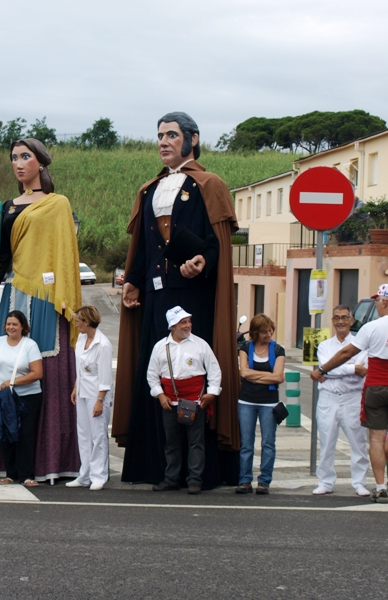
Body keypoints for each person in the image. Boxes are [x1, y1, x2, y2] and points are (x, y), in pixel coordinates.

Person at [113, 112, 240, 489]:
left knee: (192, 376)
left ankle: (200, 472)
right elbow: (144, 247)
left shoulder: (210, 184)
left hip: (194, 296)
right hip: (156, 297)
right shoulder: (149, 189)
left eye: (172, 135)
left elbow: (218, 246)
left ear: (192, 139)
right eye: (160, 136)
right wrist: (133, 281)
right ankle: (159, 469)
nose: (164, 142)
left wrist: (204, 260)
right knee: (158, 374)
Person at [0, 138, 81, 482]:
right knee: (4, 359)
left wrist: (65, 295)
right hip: (14, 290)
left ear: (41, 162)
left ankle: (51, 459)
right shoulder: (4, 207)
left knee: (46, 368)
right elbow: (1, 257)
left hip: (48, 295)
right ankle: (7, 461)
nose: (18, 163)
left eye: (25, 157)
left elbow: (65, 254)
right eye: (14, 158)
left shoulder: (57, 203)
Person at [313, 284, 388, 504]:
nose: (376, 304)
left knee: (376, 438)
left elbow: (348, 352)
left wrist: (322, 370)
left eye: (378, 301)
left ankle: (379, 488)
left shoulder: (371, 327)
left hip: (375, 388)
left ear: (385, 302)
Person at [146, 306, 222, 495]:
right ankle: (171, 479)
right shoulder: (160, 347)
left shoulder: (200, 345)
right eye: (183, 322)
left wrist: (212, 393)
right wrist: (160, 394)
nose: (188, 325)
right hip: (169, 403)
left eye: (188, 321)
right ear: (172, 325)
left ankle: (195, 480)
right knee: (171, 442)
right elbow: (151, 375)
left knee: (196, 442)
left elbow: (214, 370)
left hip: (195, 402)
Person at [312, 305, 370, 497]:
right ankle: (326, 481)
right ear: (333, 321)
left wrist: (333, 369)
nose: (341, 321)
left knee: (358, 442)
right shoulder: (324, 346)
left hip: (352, 398)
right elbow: (326, 368)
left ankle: (360, 482)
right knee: (327, 441)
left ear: (351, 320)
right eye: (336, 318)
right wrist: (353, 368)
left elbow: (363, 373)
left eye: (344, 317)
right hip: (328, 399)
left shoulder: (360, 346)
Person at [0, 310, 43, 487]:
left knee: (25, 435)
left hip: (28, 397)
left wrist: (12, 382)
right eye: (8, 324)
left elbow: (37, 373)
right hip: (4, 397)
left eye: (15, 324)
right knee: (7, 435)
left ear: (22, 327)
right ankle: (11, 474)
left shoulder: (30, 345)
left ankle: (27, 475)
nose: (11, 327)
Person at [235, 314, 286, 494]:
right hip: (246, 400)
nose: (268, 334)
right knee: (247, 443)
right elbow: (243, 374)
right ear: (255, 333)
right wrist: (266, 377)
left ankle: (264, 481)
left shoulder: (278, 349)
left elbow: (278, 377)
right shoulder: (245, 347)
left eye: (270, 331)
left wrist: (253, 376)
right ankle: (245, 480)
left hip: (269, 403)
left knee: (268, 443)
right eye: (264, 332)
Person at [67, 306, 113, 491]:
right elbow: (80, 367)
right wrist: (76, 386)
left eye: (78, 320)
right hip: (83, 392)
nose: (76, 323)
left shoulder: (103, 345)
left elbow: (105, 377)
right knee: (84, 434)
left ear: (87, 322)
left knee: (98, 435)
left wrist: (100, 401)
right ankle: (84, 474)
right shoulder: (81, 339)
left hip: (97, 394)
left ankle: (98, 475)